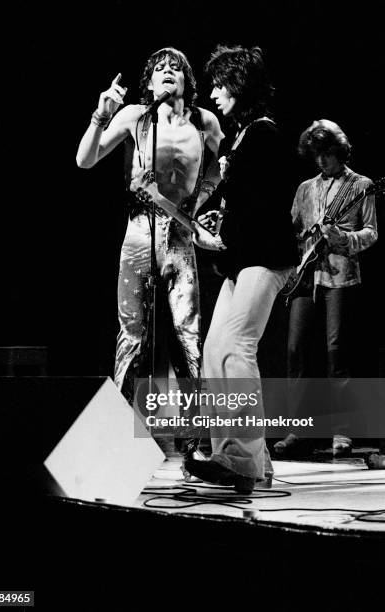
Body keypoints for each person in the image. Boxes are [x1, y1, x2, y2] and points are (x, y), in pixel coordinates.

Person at [76, 48, 222, 403]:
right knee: (131, 332)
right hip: (140, 229)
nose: (168, 71)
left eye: (176, 67)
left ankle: (194, 437)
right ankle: (121, 428)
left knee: (187, 331)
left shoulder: (205, 122)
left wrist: (199, 204)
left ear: (187, 80)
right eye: (160, 68)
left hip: (180, 235)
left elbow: (218, 169)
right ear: (150, 81)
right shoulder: (135, 116)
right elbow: (85, 160)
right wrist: (100, 116)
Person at [183, 45, 298, 493]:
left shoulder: (264, 134)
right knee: (216, 351)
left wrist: (221, 234)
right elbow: (243, 203)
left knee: (235, 348)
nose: (212, 92)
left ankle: (241, 460)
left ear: (238, 84)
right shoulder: (245, 134)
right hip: (245, 257)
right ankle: (252, 460)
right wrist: (218, 231)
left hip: (265, 256)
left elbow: (265, 205)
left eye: (218, 84)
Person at [274, 119, 378, 458]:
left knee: (337, 354)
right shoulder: (305, 188)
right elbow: (290, 228)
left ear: (339, 151)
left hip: (341, 275)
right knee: (295, 351)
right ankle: (298, 429)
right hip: (305, 275)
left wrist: (344, 239)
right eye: (316, 156)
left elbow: (372, 232)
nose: (321, 162)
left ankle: (342, 432)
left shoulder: (361, 185)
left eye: (326, 155)